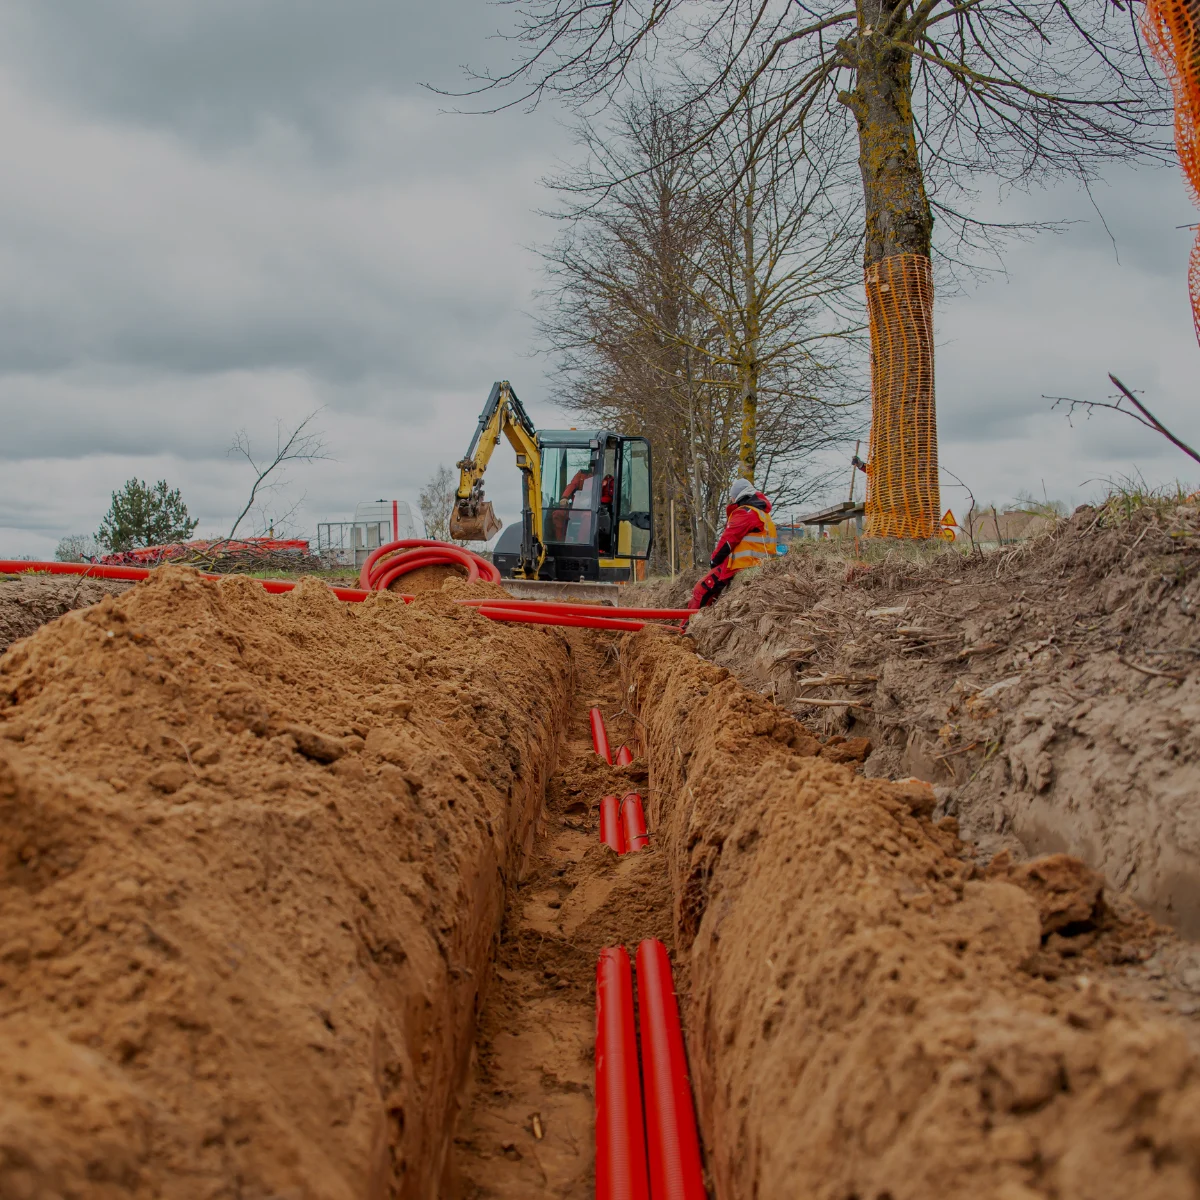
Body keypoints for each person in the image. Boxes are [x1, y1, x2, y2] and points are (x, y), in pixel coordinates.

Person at [687, 478, 777, 615]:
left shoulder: (745, 512)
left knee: (702, 588)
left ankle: (685, 628)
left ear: (736, 496)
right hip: (758, 565)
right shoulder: (762, 513)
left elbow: (728, 540)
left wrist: (714, 560)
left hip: (742, 565)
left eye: (732, 497)